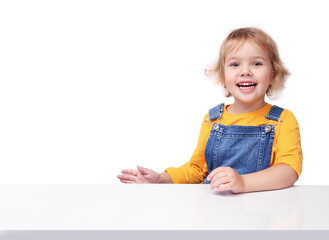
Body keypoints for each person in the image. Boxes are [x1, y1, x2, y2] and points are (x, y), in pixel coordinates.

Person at [117, 27, 303, 193]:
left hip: (261, 214)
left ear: (273, 75)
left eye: (256, 63)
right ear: (223, 77)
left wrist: (243, 183)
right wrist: (162, 179)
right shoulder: (213, 120)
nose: (245, 71)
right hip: (213, 210)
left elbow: (288, 171)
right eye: (235, 64)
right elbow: (197, 169)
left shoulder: (282, 120)